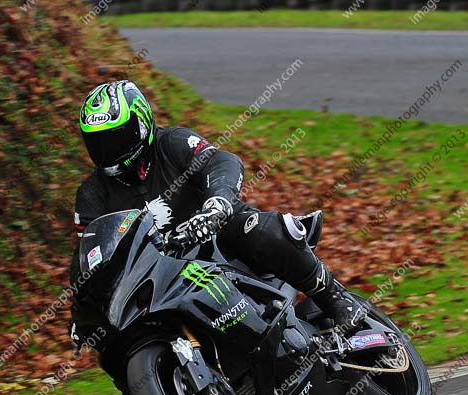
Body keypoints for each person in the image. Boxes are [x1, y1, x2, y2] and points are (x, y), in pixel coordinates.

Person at [68, 80, 365, 347]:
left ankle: (337, 300)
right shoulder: (91, 194)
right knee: (114, 340)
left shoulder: (172, 143)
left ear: (142, 124)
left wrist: (217, 204)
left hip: (216, 236)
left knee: (256, 228)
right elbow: (89, 256)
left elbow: (221, 162)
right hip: (162, 273)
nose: (108, 151)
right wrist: (83, 310)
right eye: (98, 143)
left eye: (116, 138)